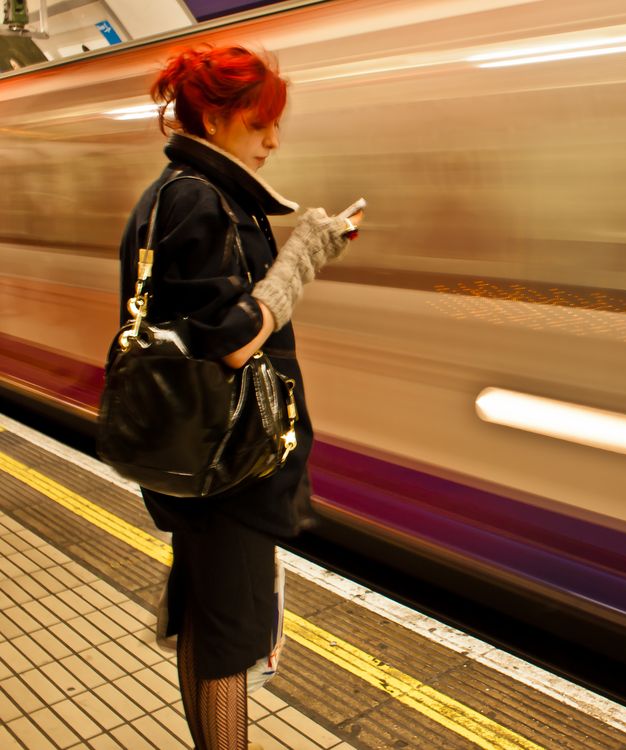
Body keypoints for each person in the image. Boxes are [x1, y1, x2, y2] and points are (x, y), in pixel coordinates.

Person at [116, 45, 362, 750]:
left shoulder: (183, 193)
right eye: (261, 124)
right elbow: (229, 336)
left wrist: (299, 254)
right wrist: (302, 257)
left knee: (208, 617)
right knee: (229, 634)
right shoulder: (197, 197)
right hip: (228, 461)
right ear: (218, 118)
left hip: (203, 451)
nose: (273, 141)